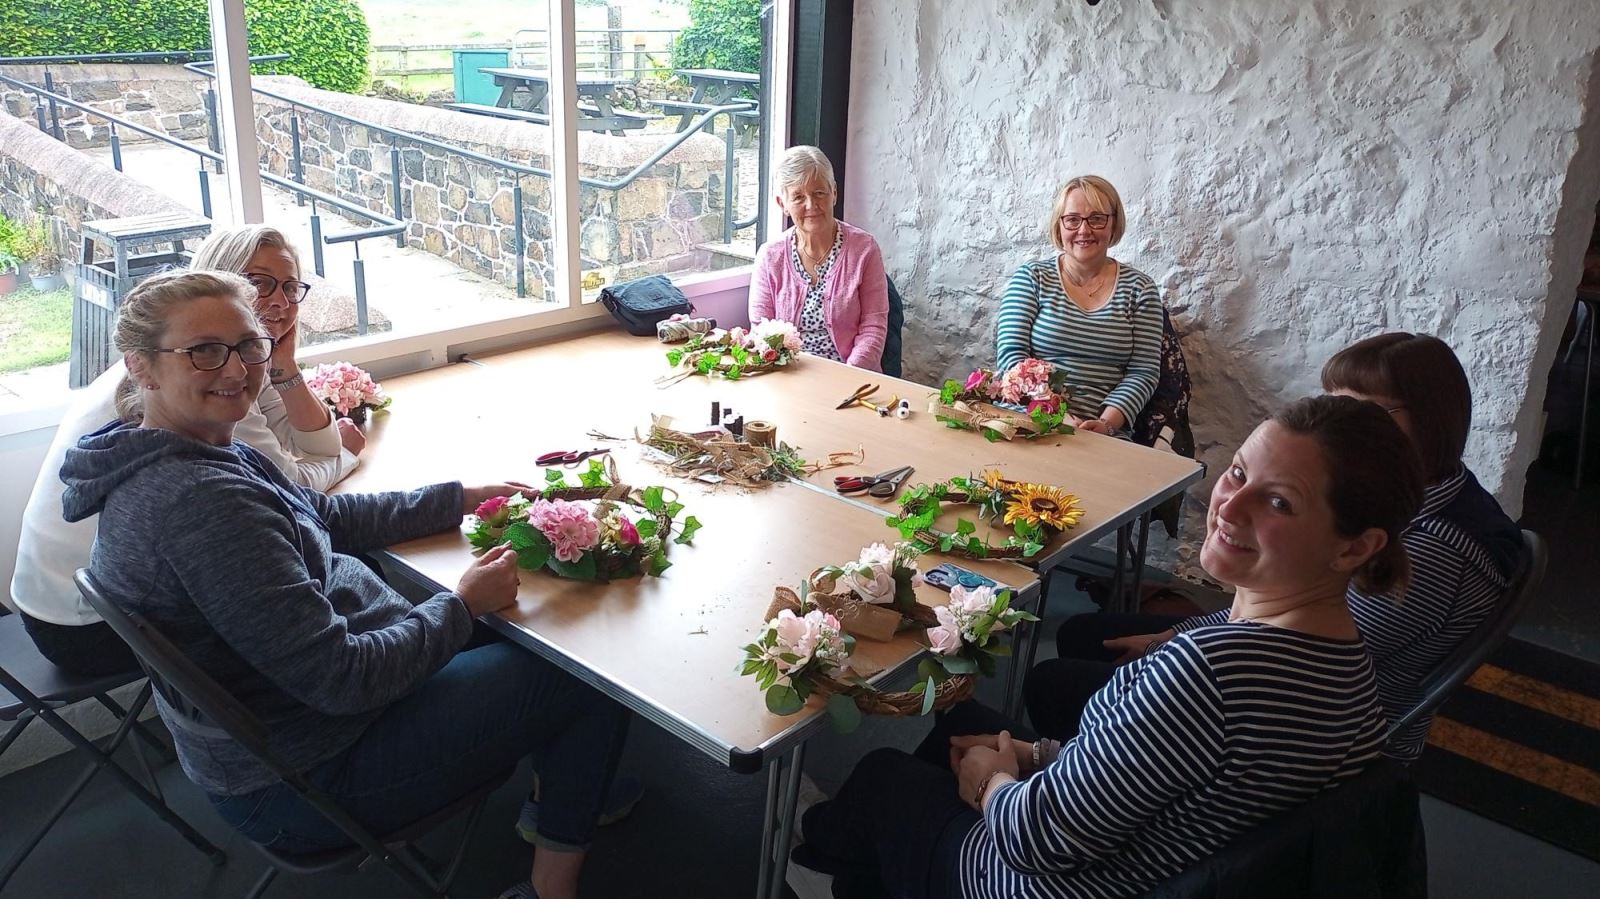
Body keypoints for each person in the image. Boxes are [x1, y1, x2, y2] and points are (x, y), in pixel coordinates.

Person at [58, 270, 628, 899]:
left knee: (536, 638)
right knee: (586, 676)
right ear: (142, 368)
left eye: (249, 345)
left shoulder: (189, 448)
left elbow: (320, 515)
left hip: (288, 732)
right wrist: (461, 605)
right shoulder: (200, 505)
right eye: (203, 351)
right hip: (311, 775)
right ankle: (553, 884)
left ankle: (571, 784)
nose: (238, 368)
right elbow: (344, 679)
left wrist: (459, 499)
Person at [794, 395, 1422, 898]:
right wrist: (1038, 754)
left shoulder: (1209, 674)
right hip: (1158, 848)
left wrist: (993, 783)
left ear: (1355, 547)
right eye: (1239, 473)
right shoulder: (1347, 662)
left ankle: (820, 856)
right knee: (959, 730)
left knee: (884, 780)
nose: (1231, 506)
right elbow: (1165, 772)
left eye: (1280, 501)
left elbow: (1037, 840)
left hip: (1053, 878)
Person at [1027, 333, 1523, 762]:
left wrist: (1172, 653)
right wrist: (1179, 634)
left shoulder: (1435, 554)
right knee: (1087, 634)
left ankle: (1085, 760)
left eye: (1358, 410)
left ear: (1429, 422)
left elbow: (1299, 653)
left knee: (1051, 682)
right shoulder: (1438, 491)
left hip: (1312, 720)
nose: (1338, 422)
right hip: (1273, 664)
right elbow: (1287, 612)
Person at [10, 226, 361, 677]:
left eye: (291, 286)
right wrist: (345, 460)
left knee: (324, 563)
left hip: (82, 599)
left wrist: (285, 365)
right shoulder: (197, 379)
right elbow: (287, 488)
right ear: (222, 281)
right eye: (259, 283)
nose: (279, 301)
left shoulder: (229, 356)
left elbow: (315, 449)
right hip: (85, 624)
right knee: (330, 566)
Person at [995, 175, 1162, 435]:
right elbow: (1011, 357)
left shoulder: (1140, 289)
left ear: (1113, 224)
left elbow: (1144, 371)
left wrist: (1106, 424)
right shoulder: (1032, 278)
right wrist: (1053, 413)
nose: (1084, 230)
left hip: (1105, 433)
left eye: (1096, 219)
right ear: (1059, 226)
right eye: (1072, 219)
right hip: (1029, 421)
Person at [749, 145, 890, 370]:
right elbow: (761, 327)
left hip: (852, 377)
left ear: (834, 192)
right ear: (782, 204)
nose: (811, 205)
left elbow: (873, 327)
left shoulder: (865, 250)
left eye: (819, 193)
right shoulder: (769, 256)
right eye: (798, 197)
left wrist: (849, 376)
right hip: (787, 375)